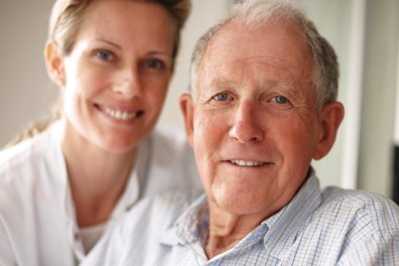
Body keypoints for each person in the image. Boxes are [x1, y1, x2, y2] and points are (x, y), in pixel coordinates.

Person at [82, 0, 399, 265]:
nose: (244, 129)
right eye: (222, 97)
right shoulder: (143, 224)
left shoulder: (364, 230)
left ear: (325, 129)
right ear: (191, 120)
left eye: (278, 100)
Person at [0, 0, 202, 265]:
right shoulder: (6, 195)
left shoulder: (196, 175)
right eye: (104, 55)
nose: (130, 87)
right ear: (57, 63)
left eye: (153, 63)